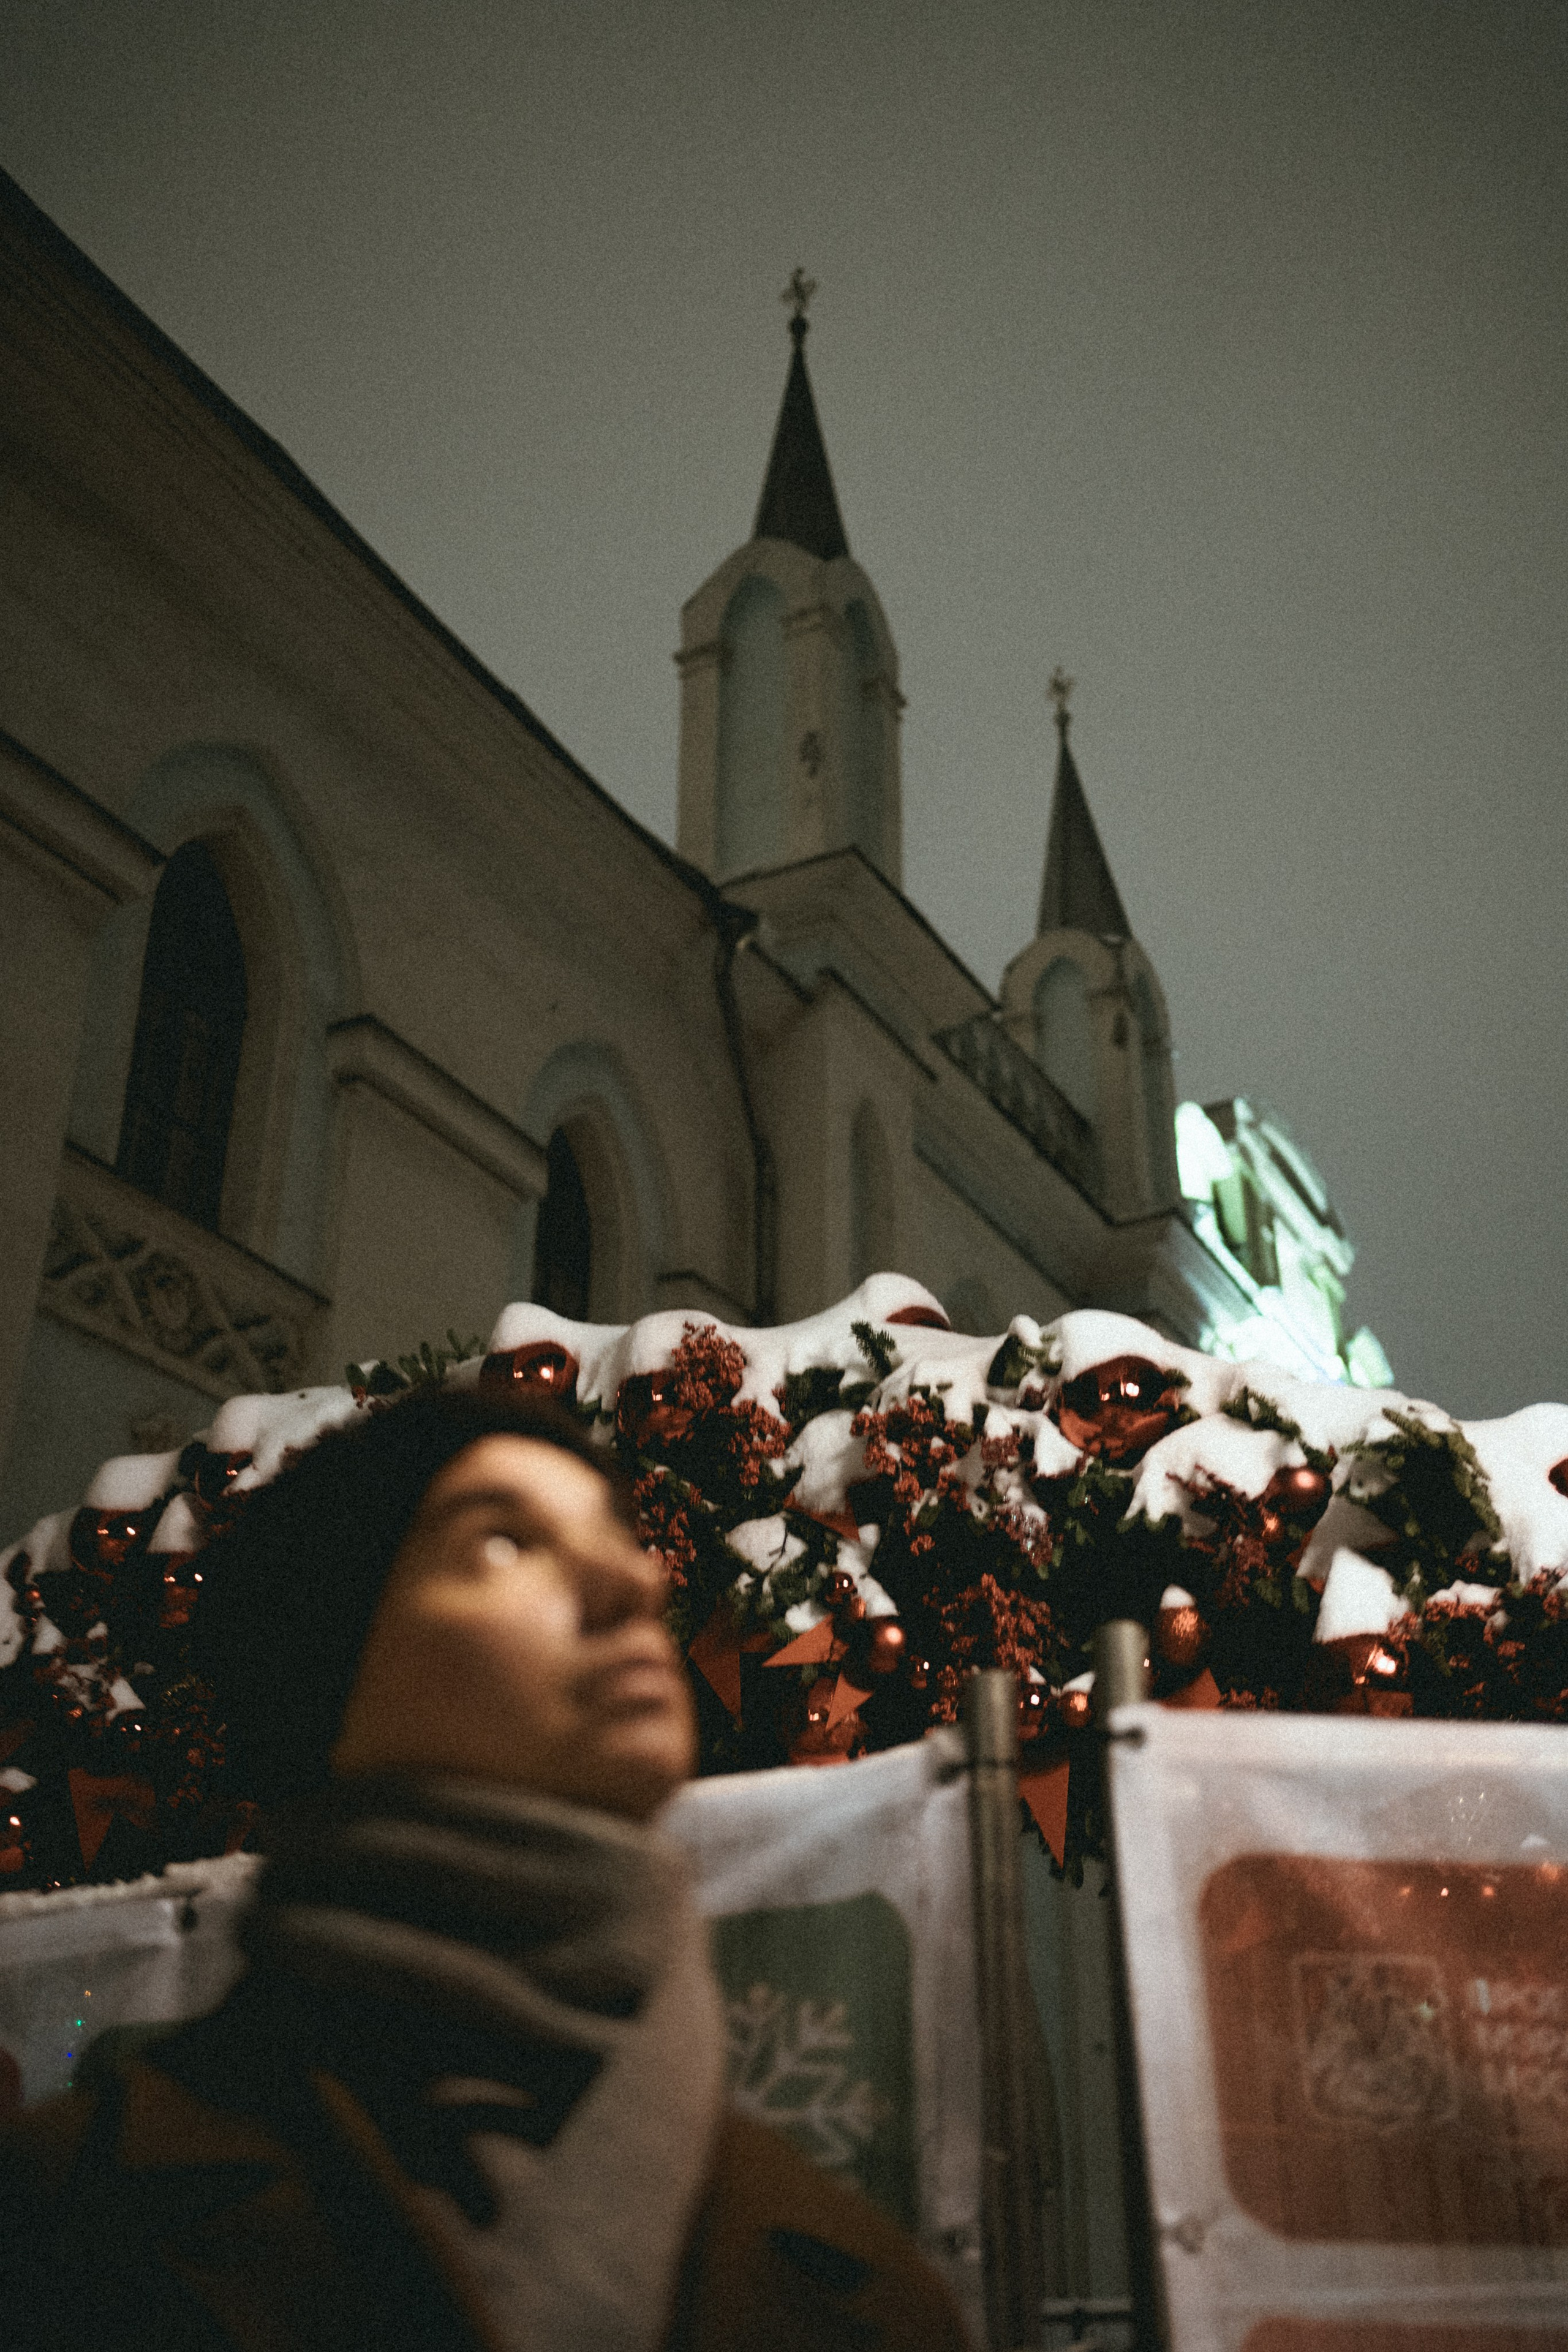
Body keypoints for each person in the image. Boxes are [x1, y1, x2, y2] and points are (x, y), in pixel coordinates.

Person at [0, 1389, 969, 2351]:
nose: (633, 1581)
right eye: (502, 1542)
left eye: (619, 1537)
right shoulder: (55, 2225)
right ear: (328, 1650)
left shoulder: (871, 2299)